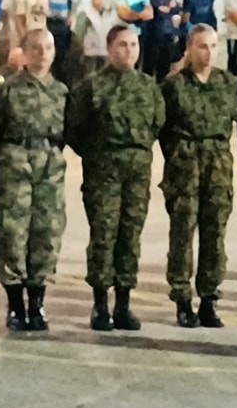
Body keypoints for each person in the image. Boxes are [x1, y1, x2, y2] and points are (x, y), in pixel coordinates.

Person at [67, 25, 165, 332]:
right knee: (104, 235)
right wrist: (97, 154)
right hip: (103, 172)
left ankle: (123, 302)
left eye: (134, 44)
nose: (129, 50)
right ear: (110, 49)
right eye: (122, 45)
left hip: (137, 173)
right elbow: (74, 129)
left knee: (130, 236)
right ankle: (100, 304)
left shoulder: (148, 87)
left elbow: (157, 124)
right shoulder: (92, 86)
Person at [160, 24, 237, 328]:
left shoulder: (227, 82)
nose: (208, 53)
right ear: (189, 50)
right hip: (185, 167)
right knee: (182, 233)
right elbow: (162, 129)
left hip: (218, 167)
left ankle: (208, 298)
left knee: (215, 233)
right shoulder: (174, 86)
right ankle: (182, 299)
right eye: (202, 46)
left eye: (213, 46)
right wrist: (178, 156)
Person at [0, 29, 69, 331]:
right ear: (24, 51)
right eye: (35, 47)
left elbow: (66, 132)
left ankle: (37, 303)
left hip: (49, 167)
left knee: (47, 231)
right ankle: (15, 304)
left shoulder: (61, 91)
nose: (42, 53)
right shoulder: (8, 90)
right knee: (13, 232)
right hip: (15, 164)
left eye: (48, 47)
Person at [144, 0, 184, 81]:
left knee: (164, 73)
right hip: (152, 38)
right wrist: (166, 8)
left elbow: (176, 8)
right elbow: (155, 12)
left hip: (167, 38)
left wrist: (169, 8)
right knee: (148, 71)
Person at [41, 0, 75, 83]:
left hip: (61, 24)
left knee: (61, 57)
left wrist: (70, 16)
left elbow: (70, 2)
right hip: (46, 23)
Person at [72, 0, 116, 79]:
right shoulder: (85, 13)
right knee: (89, 78)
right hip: (90, 53)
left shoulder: (110, 13)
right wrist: (80, 50)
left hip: (106, 52)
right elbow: (78, 33)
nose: (98, 0)